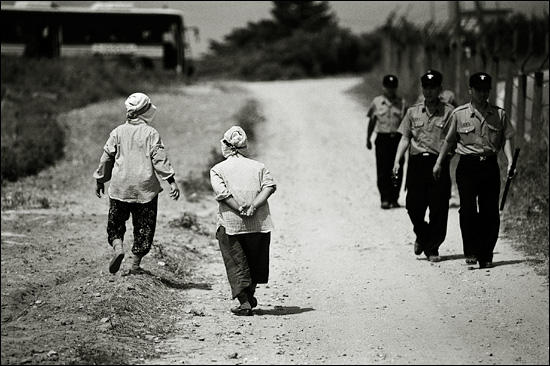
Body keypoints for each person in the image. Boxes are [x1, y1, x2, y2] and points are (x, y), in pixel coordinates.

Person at [433, 72, 516, 269]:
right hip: (467, 166)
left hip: (489, 165)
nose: (482, 94)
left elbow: (506, 139)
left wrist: (511, 160)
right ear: (470, 90)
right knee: (468, 208)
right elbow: (449, 140)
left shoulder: (499, 114)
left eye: (486, 90)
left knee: (490, 212)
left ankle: (486, 254)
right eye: (478, 90)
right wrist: (439, 162)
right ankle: (471, 250)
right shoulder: (459, 114)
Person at [93, 92, 180, 275]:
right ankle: (135, 265)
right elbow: (160, 160)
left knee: (115, 223)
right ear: (146, 111)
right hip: (145, 190)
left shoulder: (117, 132)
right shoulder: (151, 134)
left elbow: (106, 158)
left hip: (120, 188)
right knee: (144, 227)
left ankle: (118, 248)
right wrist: (171, 181)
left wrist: (100, 180)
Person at [210, 126, 276, 316]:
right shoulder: (259, 167)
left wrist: (239, 208)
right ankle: (250, 293)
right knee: (255, 259)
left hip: (231, 224)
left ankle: (245, 302)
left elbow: (222, 194)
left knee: (235, 261)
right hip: (259, 224)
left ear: (226, 145)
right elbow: (269, 187)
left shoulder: (217, 169)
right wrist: (253, 206)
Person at [393, 70, 455, 262]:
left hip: (439, 162)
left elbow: (453, 139)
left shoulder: (450, 112)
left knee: (438, 208)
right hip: (417, 163)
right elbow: (405, 137)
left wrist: (443, 160)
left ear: (440, 89)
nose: (428, 91)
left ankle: (432, 248)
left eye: (433, 87)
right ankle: (423, 234)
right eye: (425, 87)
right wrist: (397, 160)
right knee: (413, 205)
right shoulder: (413, 111)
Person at [366, 74, 408, 209]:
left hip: (398, 140)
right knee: (383, 170)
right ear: (383, 87)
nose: (390, 90)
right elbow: (372, 121)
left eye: (393, 87)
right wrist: (368, 138)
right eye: (388, 87)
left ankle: (394, 198)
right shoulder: (376, 102)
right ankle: (385, 198)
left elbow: (408, 123)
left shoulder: (402, 103)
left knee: (397, 169)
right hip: (382, 140)